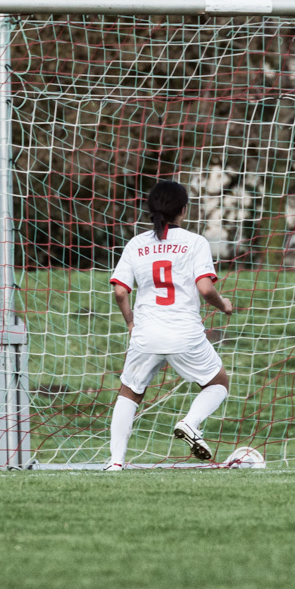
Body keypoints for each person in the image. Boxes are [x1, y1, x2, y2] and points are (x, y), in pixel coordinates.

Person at [106, 180, 237, 470]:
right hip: (185, 333)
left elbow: (120, 291)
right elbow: (205, 289)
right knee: (218, 383)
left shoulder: (136, 243)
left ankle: (115, 463)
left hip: (146, 333)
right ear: (184, 210)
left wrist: (131, 322)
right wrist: (223, 304)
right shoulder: (195, 242)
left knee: (130, 392)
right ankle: (190, 423)